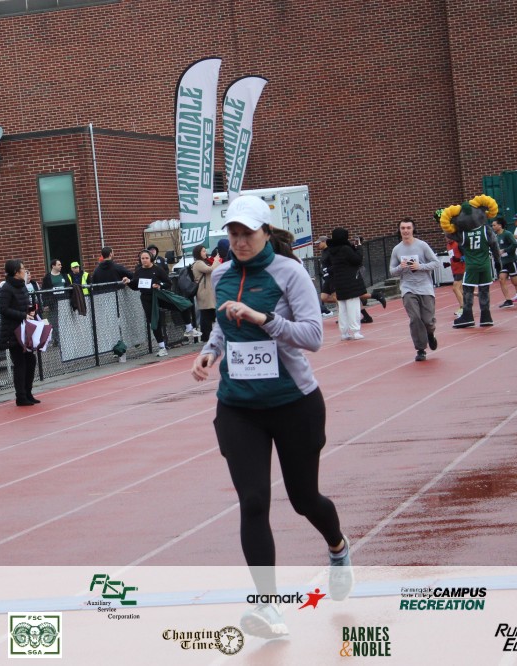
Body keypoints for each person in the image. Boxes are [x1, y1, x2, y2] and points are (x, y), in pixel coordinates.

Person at [190, 195, 351, 640]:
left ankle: (338, 547)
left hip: (293, 403)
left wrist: (263, 319)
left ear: (265, 232)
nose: (240, 242)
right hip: (239, 406)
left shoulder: (289, 273)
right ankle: (268, 608)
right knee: (253, 501)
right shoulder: (222, 274)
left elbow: (313, 336)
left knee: (304, 499)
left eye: (247, 233)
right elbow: (222, 327)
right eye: (233, 234)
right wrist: (209, 352)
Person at [389, 218, 440, 361]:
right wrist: (400, 267)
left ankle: (430, 334)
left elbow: (436, 263)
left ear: (413, 229)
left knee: (428, 321)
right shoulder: (397, 249)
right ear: (399, 230)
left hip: (425, 287)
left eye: (408, 228)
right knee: (415, 318)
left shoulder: (422, 245)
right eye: (403, 228)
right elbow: (392, 271)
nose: (405, 231)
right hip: (408, 288)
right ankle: (421, 349)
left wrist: (420, 267)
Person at [0, 259, 39, 407]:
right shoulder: (6, 288)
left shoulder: (23, 286)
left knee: (31, 360)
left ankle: (28, 393)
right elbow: (3, 309)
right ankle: (20, 396)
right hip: (13, 332)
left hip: (25, 330)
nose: (25, 271)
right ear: (16, 272)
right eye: (23, 268)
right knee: (20, 363)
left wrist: (31, 311)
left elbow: (24, 305)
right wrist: (23, 315)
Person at [453, 217, 500, 328]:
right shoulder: (486, 229)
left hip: (471, 266)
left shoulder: (463, 232)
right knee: (484, 290)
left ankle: (468, 316)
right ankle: (486, 316)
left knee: (467, 290)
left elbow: (451, 235)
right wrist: (498, 262)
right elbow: (495, 246)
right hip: (485, 265)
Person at [323, 227, 367, 340]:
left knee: (342, 309)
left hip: (338, 282)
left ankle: (344, 332)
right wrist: (359, 247)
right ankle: (356, 331)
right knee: (353, 307)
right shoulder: (345, 249)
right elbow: (357, 260)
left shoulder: (332, 250)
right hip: (350, 281)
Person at [130, 249, 171, 356]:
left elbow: (168, 283)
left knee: (182, 305)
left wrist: (159, 285)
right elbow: (135, 286)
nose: (144, 260)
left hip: (158, 296)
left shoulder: (157, 270)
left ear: (151, 258)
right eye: (142, 258)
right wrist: (128, 282)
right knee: (154, 322)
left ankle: (189, 327)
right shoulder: (138, 271)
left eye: (146, 258)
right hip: (146, 298)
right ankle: (162, 347)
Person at [190, 244, 219, 342]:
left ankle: (208, 336)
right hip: (204, 292)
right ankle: (206, 337)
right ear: (198, 253)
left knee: (209, 314)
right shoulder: (198, 263)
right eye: (203, 251)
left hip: (208, 291)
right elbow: (210, 269)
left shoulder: (203, 262)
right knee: (206, 314)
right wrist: (216, 260)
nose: (205, 253)